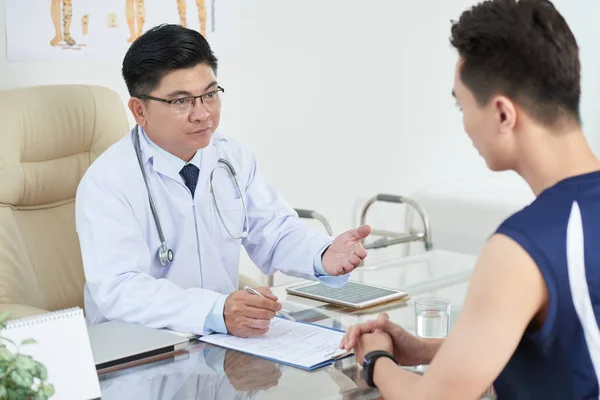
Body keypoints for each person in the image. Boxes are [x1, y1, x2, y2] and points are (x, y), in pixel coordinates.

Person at [341, 0, 600, 399]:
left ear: (502, 114)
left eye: (462, 106)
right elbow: (567, 354)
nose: (464, 124)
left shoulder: (523, 248)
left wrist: (378, 363)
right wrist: (425, 351)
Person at [75, 24, 370, 338]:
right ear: (139, 110)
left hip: (219, 342)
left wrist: (322, 256)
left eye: (210, 95)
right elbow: (119, 289)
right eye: (181, 101)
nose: (203, 114)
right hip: (140, 348)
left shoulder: (231, 157)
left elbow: (273, 231)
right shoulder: (108, 181)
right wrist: (215, 310)